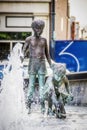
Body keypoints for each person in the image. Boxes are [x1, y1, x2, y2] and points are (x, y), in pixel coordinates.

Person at [23, 19, 51, 114]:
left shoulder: (44, 40)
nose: (41, 30)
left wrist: (51, 64)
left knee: (42, 87)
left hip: (42, 64)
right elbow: (23, 51)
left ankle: (43, 108)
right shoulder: (29, 39)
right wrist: (20, 58)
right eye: (39, 28)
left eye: (42, 28)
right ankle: (28, 108)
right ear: (34, 29)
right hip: (32, 63)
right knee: (30, 86)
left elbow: (47, 54)